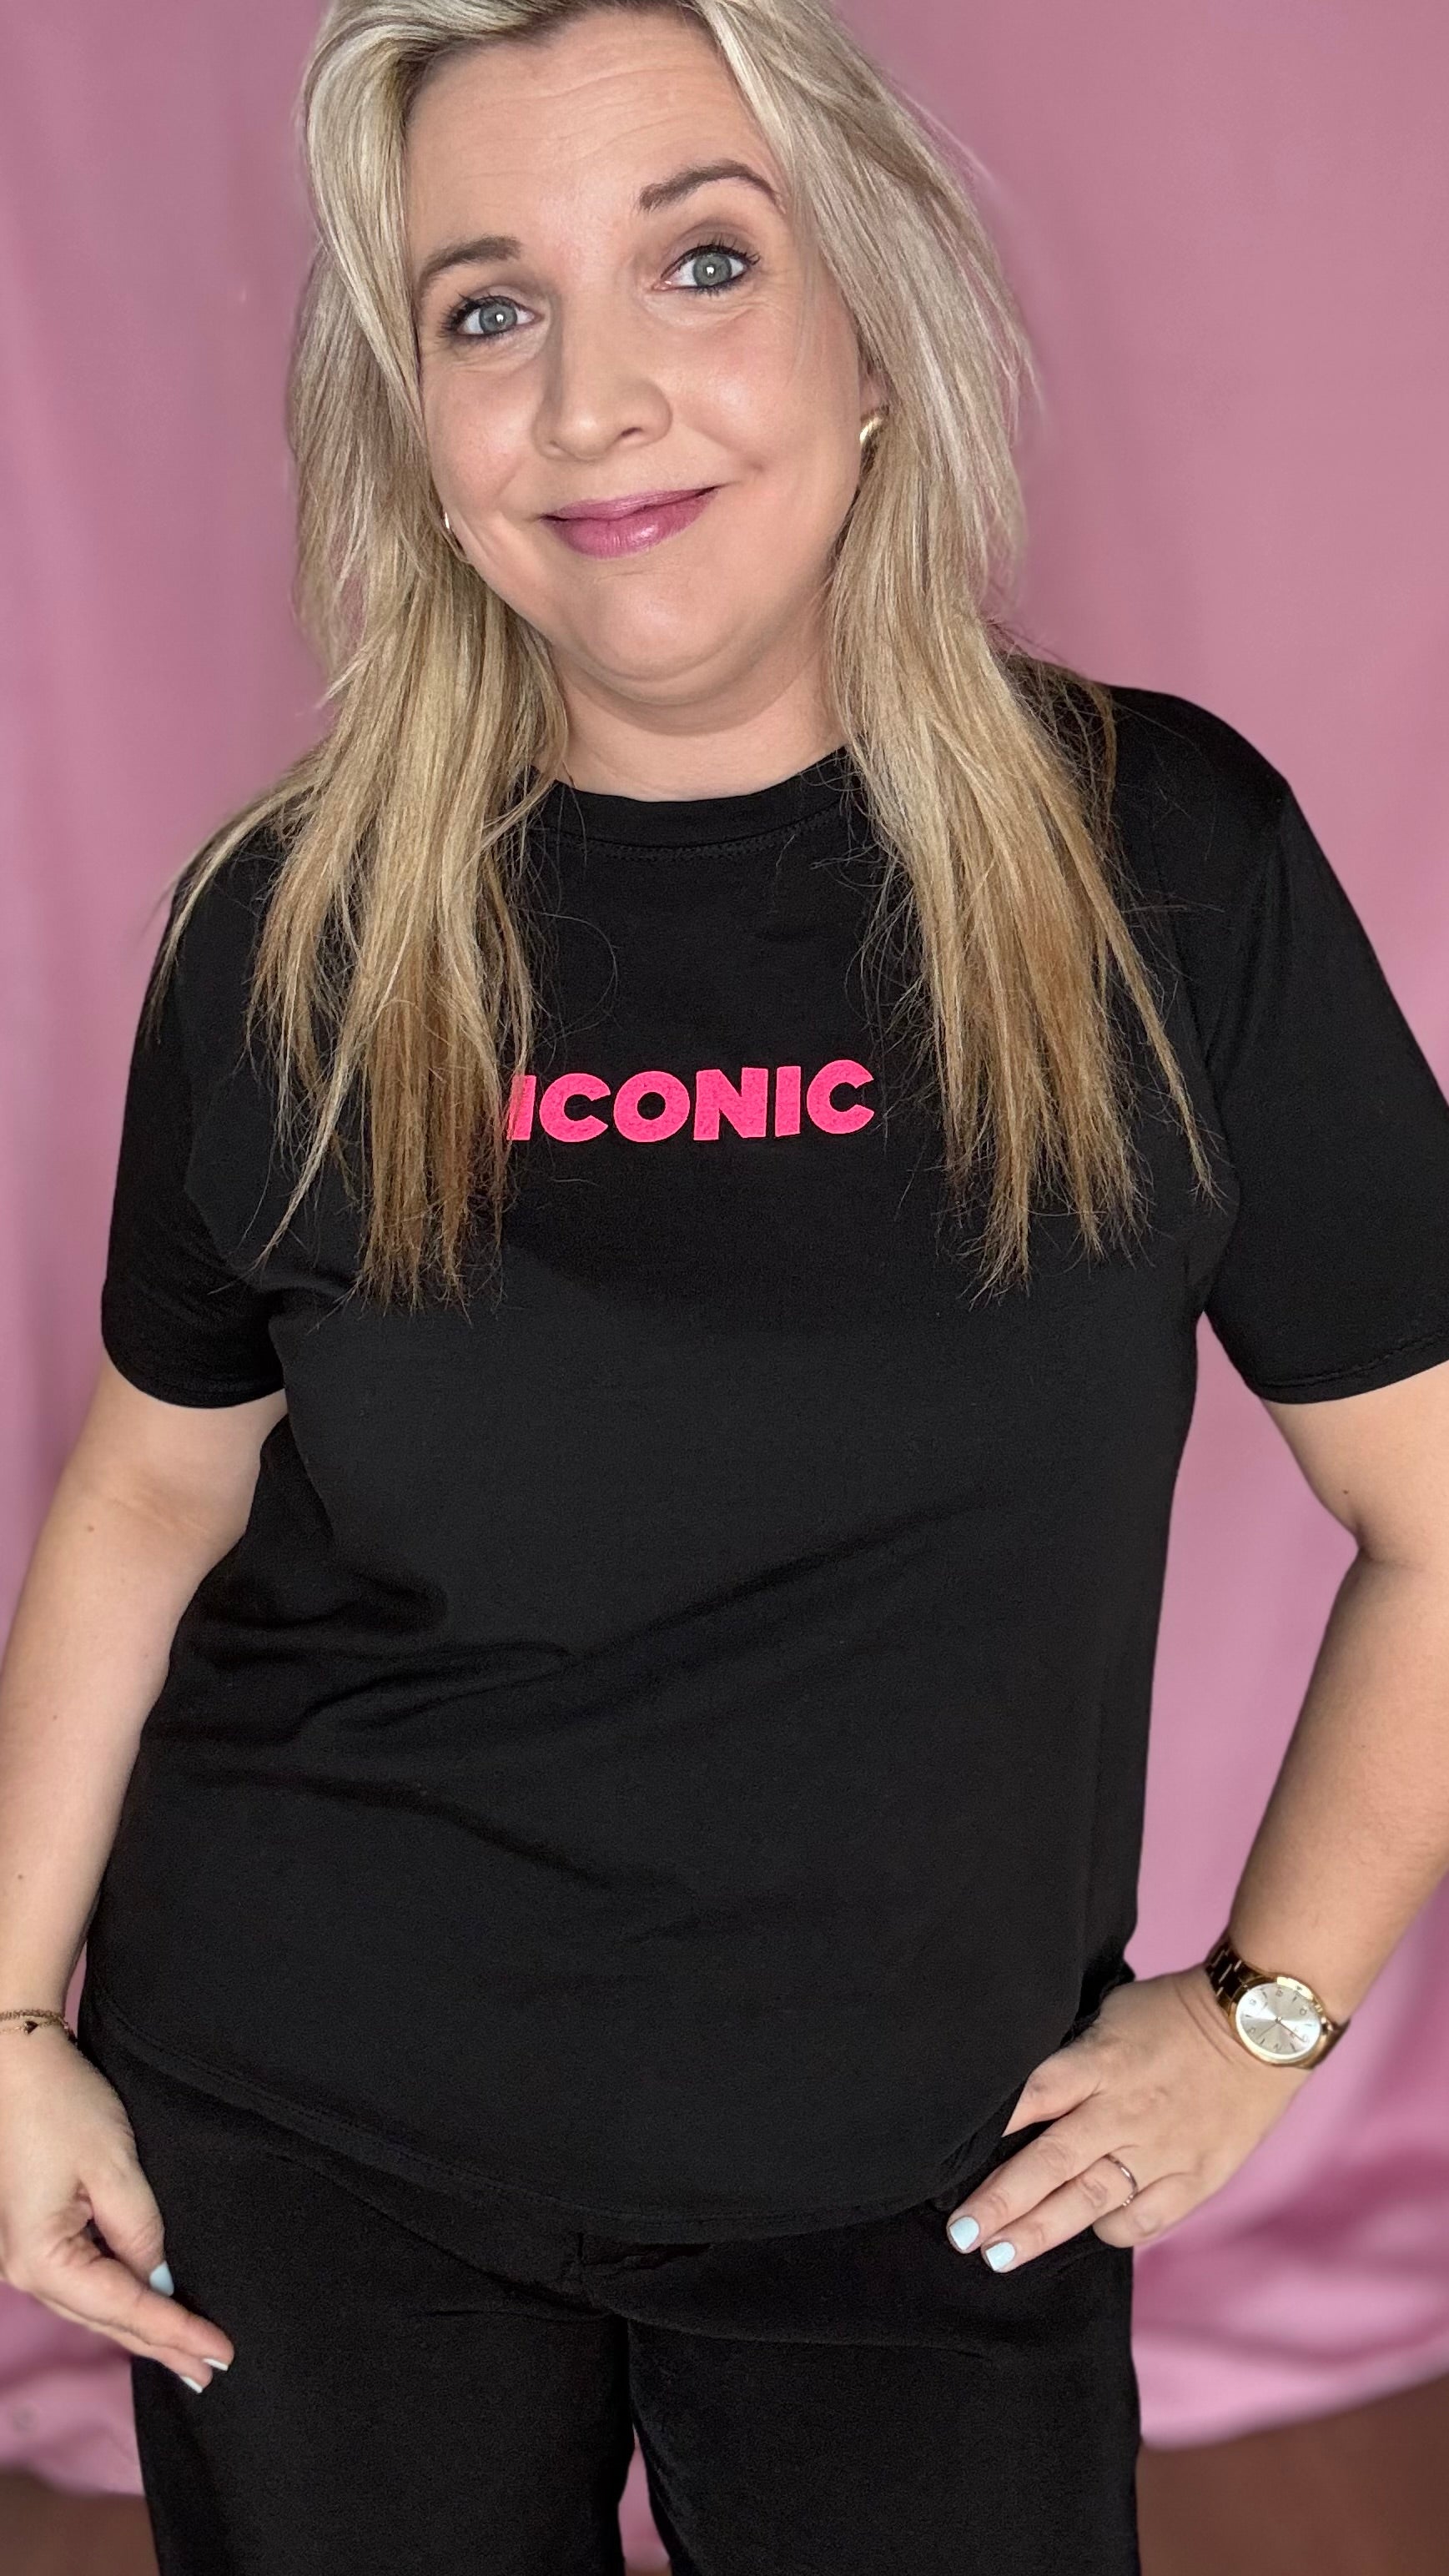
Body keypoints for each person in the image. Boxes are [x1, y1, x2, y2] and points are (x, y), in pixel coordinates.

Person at [3, 2, 1449, 2569]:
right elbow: (148, 1494)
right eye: (486, 310)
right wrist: (5, 2023)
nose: (593, 404)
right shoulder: (287, 930)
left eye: (699, 263)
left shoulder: (1163, 868)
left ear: (869, 334)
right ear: (417, 442)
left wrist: (1262, 2018)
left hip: (932, 2173)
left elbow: (1439, 1517)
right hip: (313, 2140)